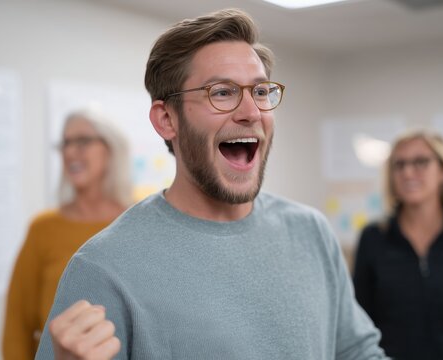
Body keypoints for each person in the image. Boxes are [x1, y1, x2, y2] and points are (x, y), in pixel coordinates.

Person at [35, 8, 388, 360]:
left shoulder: (311, 233)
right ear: (167, 119)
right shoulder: (102, 268)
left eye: (261, 91)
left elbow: (358, 352)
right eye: (222, 93)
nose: (251, 111)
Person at [353, 129, 443, 359]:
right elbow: (358, 328)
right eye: (399, 165)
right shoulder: (373, 239)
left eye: (421, 162)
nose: (408, 172)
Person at [2, 109, 134, 360]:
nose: (70, 151)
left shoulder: (139, 220)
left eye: (83, 141)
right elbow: (17, 327)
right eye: (65, 143)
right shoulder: (43, 229)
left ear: (111, 149)